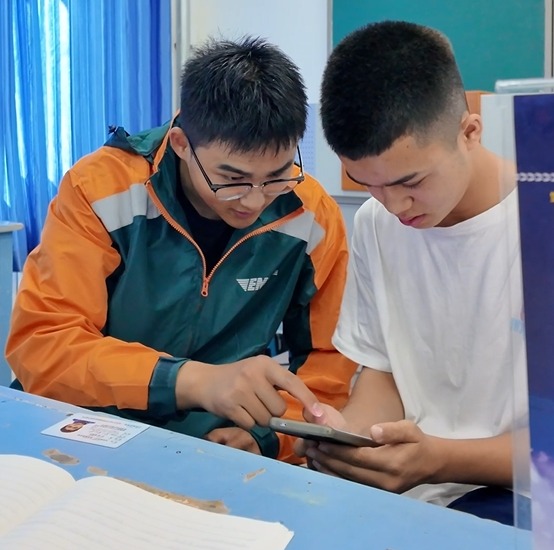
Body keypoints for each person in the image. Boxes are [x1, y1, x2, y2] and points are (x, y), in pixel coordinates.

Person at [6, 36, 357, 463]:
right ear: (180, 144)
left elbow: (328, 365)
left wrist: (267, 438)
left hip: (209, 448)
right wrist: (191, 381)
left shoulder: (312, 216)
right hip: (81, 428)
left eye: (277, 175)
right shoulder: (99, 189)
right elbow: (44, 346)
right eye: (232, 179)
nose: (254, 200)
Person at [295, 21, 528, 525]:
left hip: (522, 497)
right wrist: (352, 439)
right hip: (417, 491)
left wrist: (440, 459)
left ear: (470, 132)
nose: (394, 205)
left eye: (411, 182)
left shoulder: (538, 225)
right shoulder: (377, 224)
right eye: (367, 183)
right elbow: (384, 372)